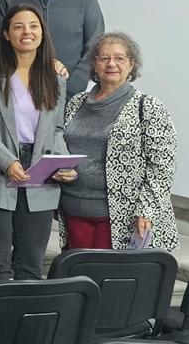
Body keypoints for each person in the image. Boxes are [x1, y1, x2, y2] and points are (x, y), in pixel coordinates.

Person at [0, 4, 73, 282]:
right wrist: (7, 161)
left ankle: (25, 324)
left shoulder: (56, 79)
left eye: (33, 26)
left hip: (41, 173)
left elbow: (58, 129)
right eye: (18, 26)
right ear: (5, 34)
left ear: (42, 33)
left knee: (31, 262)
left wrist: (62, 163)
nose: (27, 32)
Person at [59, 32, 179, 251]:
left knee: (112, 281)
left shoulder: (149, 107)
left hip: (124, 217)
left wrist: (147, 210)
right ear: (94, 64)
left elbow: (162, 167)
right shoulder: (76, 102)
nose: (111, 63)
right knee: (81, 279)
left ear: (131, 64)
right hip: (73, 210)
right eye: (103, 58)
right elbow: (59, 145)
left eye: (120, 58)